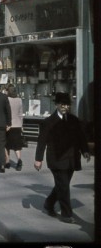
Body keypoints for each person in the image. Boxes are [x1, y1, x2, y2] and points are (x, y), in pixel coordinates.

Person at [34, 92, 91, 224]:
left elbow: (80, 136)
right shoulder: (48, 122)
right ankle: (66, 214)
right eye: (63, 104)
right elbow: (41, 141)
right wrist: (38, 159)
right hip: (56, 159)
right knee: (64, 186)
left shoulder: (73, 120)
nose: (66, 107)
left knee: (62, 185)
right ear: (57, 105)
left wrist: (85, 151)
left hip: (71, 159)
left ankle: (48, 203)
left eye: (68, 105)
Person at [4, 84, 24, 170]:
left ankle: (7, 162)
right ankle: (19, 160)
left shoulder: (6, 99)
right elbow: (21, 114)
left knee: (6, 145)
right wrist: (21, 125)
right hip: (18, 125)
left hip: (8, 125)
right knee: (17, 146)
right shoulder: (19, 100)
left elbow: (5, 113)